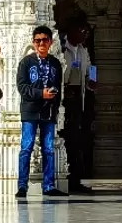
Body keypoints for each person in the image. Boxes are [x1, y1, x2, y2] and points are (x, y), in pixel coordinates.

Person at [16, 26, 66, 200]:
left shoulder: (54, 64)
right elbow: (22, 87)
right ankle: (22, 186)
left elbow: (58, 88)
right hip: (30, 111)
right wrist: (40, 94)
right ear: (33, 43)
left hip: (48, 112)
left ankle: (49, 185)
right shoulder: (26, 62)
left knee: (48, 149)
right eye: (38, 41)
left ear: (51, 42)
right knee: (26, 147)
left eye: (45, 40)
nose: (41, 44)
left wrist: (55, 107)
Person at [60, 22, 95, 195]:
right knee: (65, 138)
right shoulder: (60, 48)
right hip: (62, 98)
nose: (84, 35)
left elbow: (90, 67)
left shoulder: (83, 50)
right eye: (81, 30)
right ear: (71, 32)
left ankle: (76, 179)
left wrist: (92, 79)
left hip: (78, 97)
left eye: (86, 32)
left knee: (77, 139)